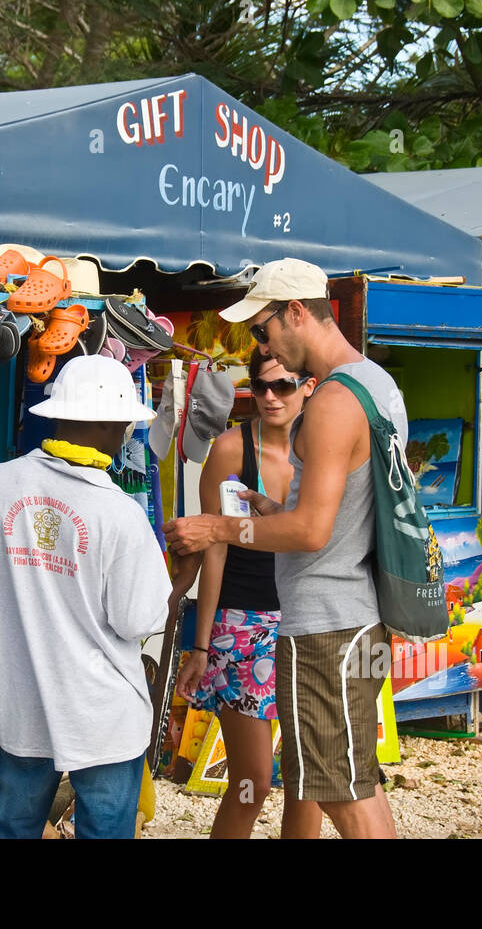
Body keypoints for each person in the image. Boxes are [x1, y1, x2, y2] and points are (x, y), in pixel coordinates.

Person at [163, 257, 407, 840]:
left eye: (262, 327)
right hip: (357, 617)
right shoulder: (378, 385)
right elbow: (343, 512)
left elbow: (311, 534)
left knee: (337, 793)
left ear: (297, 313)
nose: (260, 341)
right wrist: (275, 513)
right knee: (349, 782)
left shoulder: (330, 404)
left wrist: (219, 529)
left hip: (325, 625)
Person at [0, 354, 171, 839]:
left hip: (25, 705)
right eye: (124, 425)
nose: (126, 435)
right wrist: (183, 569)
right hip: (104, 717)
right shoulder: (118, 513)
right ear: (108, 423)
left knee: (10, 827)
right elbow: (137, 622)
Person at [173, 347, 314, 838]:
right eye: (261, 387)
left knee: (308, 777)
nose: (272, 397)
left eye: (284, 386)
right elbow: (214, 548)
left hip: (308, 619)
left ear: (307, 388)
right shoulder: (233, 450)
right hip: (243, 622)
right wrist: (201, 644)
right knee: (251, 779)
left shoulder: (322, 449)